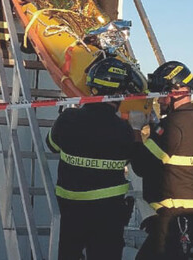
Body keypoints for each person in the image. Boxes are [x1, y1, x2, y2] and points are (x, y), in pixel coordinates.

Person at [45, 57, 145, 260]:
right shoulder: (123, 130)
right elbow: (135, 161)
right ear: (120, 94)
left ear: (92, 87)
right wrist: (137, 129)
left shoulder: (67, 119)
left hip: (70, 211)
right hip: (108, 214)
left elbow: (52, 145)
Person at [130, 61, 193, 260]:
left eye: (161, 95)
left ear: (175, 91)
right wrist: (154, 127)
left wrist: (135, 130)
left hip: (177, 217)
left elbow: (141, 166)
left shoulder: (172, 127)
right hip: (192, 215)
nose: (159, 101)